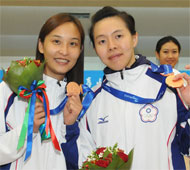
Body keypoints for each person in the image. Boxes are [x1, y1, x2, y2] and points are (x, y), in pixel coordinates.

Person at [75, 6, 189, 170]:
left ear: (134, 38)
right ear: (95, 49)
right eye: (102, 41)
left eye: (118, 36)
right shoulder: (91, 101)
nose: (111, 46)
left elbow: (187, 145)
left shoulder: (170, 83)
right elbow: (85, 159)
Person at [0, 13, 93, 170]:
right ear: (41, 45)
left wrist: (70, 127)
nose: (64, 51)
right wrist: (28, 129)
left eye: (73, 44)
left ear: (80, 50)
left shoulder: (81, 101)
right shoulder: (11, 91)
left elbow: (85, 163)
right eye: (56, 41)